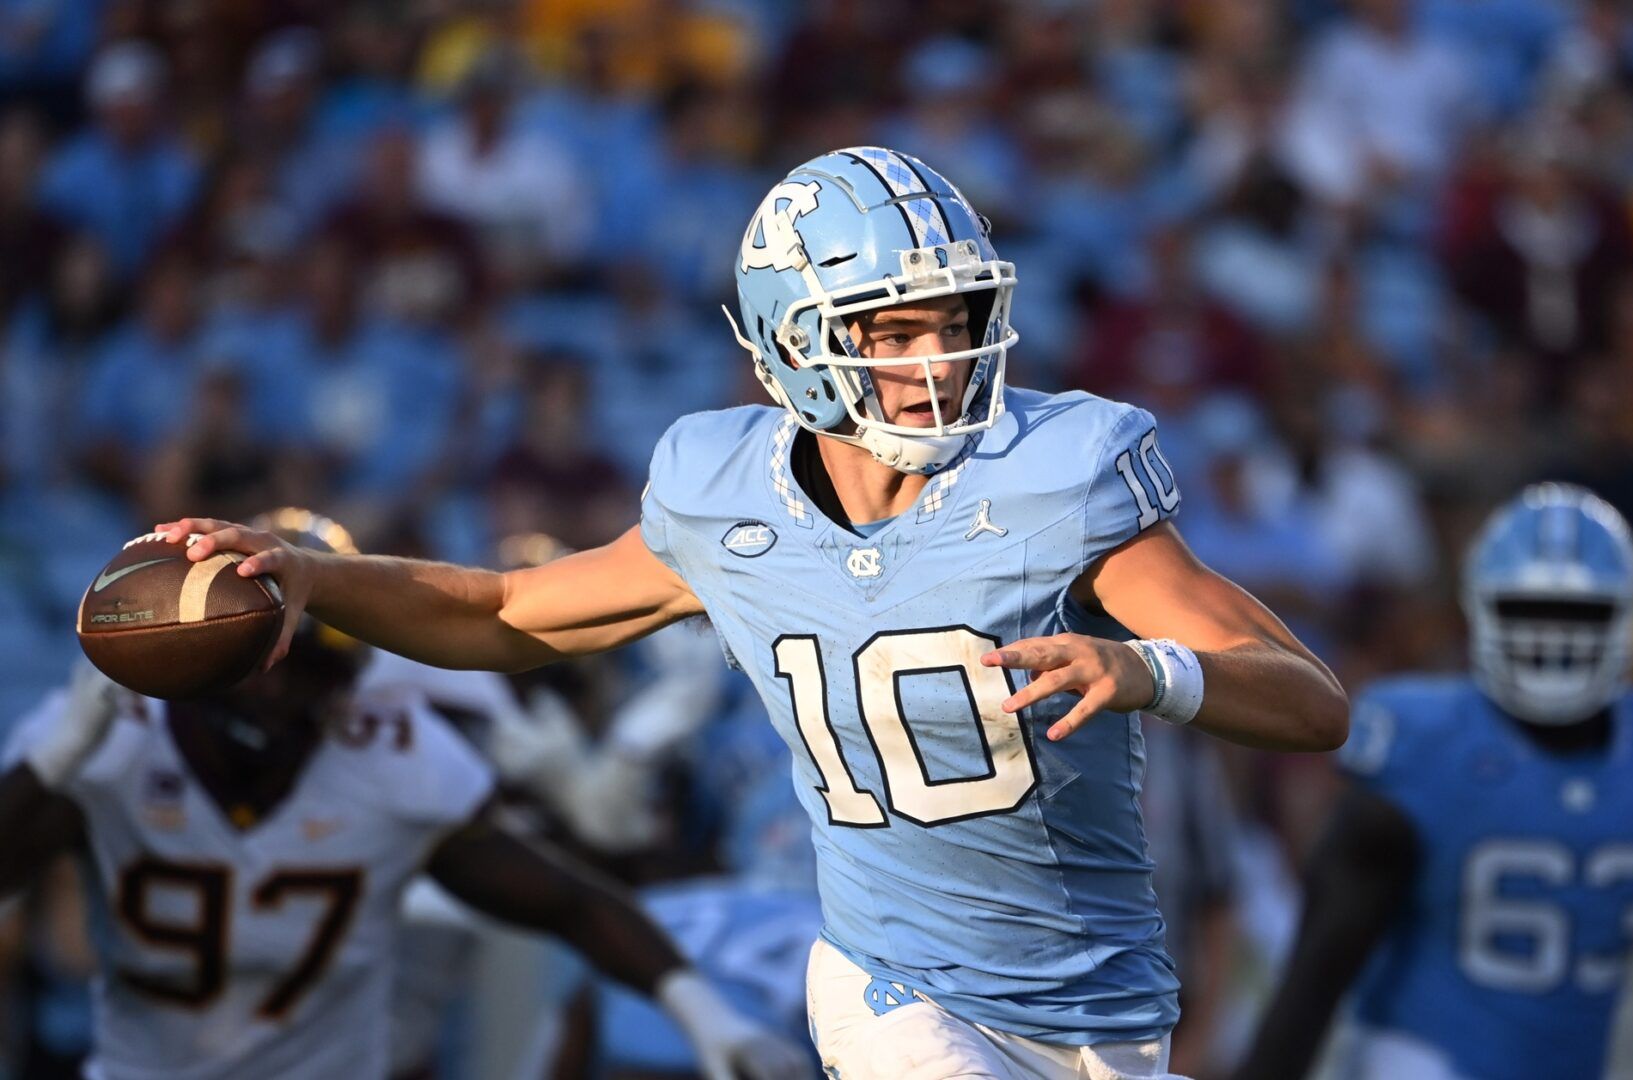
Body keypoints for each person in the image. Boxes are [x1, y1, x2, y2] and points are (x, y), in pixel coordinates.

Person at [155, 145, 1348, 1079]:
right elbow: (510, 611)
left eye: (958, 319)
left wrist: (1151, 672)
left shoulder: (1059, 471)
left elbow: (1311, 704)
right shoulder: (724, 496)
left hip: (1104, 1006)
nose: (940, 358)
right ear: (796, 343)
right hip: (891, 985)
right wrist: (317, 581)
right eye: (894, 331)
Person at [0, 525, 810, 1080]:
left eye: (334, 667)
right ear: (225, 672)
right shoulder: (108, 739)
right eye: (302, 666)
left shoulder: (387, 758)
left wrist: (712, 1019)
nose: (326, 692)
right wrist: (53, 759)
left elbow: (567, 901)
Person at [1234, 485, 1633, 1080]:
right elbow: (1316, 971)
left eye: (1579, 612)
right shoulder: (1423, 743)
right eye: (1528, 610)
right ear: (1481, 608)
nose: (1552, 635)